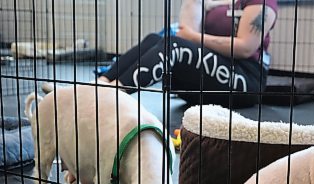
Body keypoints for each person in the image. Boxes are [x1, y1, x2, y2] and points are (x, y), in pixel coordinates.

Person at [99, 0, 278, 108]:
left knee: (172, 45)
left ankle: (112, 93)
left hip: (245, 80)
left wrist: (193, 37)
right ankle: (101, 84)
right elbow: (187, 32)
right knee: (155, 39)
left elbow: (245, 47)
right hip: (209, 75)